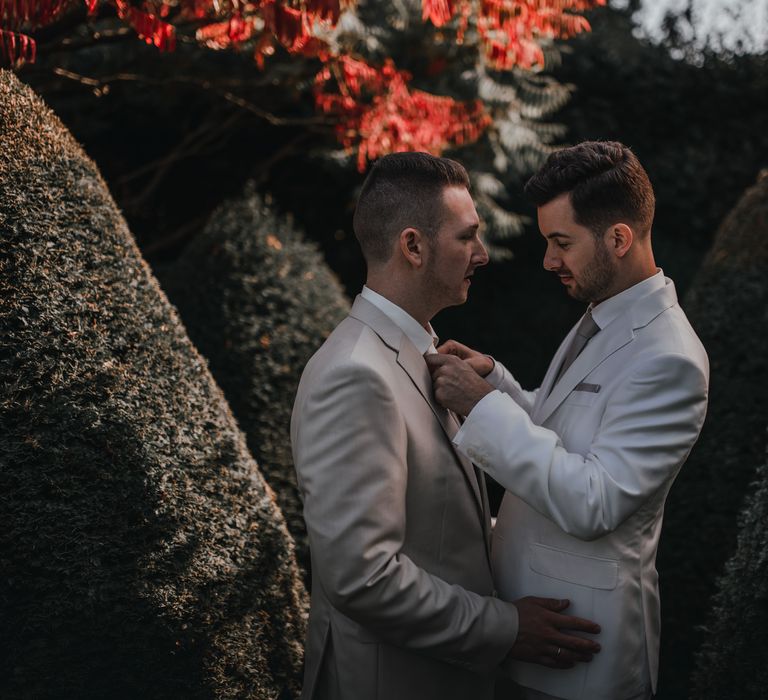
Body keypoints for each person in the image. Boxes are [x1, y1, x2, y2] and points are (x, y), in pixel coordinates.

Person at [291, 152, 601, 700]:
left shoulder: (421, 355)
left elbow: (436, 525)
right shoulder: (355, 374)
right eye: (467, 237)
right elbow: (363, 578)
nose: (482, 254)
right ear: (413, 246)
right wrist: (506, 628)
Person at [426, 141, 709, 700]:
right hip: (528, 630)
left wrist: (481, 407)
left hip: (581, 652)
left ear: (618, 238)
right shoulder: (601, 315)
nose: (549, 261)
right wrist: (499, 383)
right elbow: (565, 434)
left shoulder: (669, 357)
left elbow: (594, 500)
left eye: (561, 243)